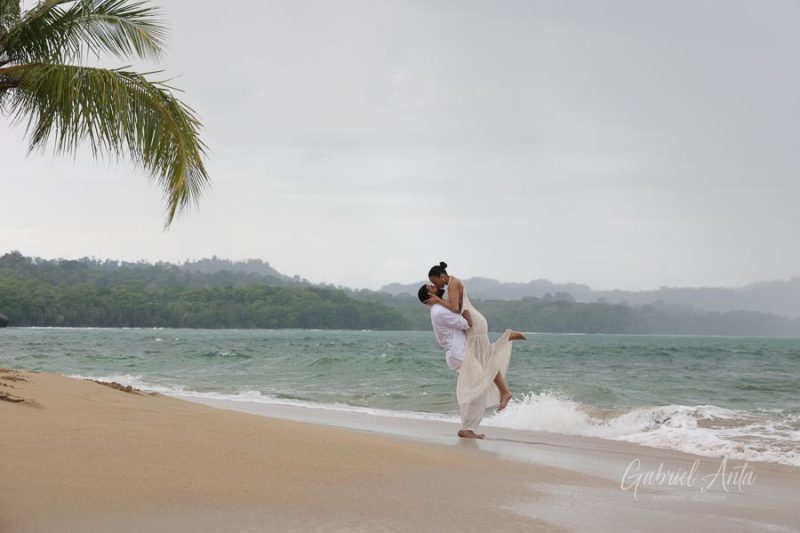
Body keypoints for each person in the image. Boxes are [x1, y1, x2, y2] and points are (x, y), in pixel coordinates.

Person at [420, 262, 526, 439]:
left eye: (434, 282)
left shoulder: (451, 285)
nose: (436, 286)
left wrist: (439, 299)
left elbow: (456, 308)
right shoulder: (444, 298)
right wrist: (441, 301)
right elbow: (457, 309)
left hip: (474, 326)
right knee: (484, 366)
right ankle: (502, 393)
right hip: (472, 327)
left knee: (482, 371)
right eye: (432, 286)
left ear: (441, 276)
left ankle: (471, 425)